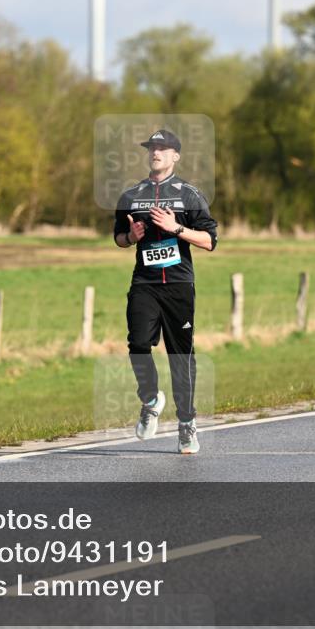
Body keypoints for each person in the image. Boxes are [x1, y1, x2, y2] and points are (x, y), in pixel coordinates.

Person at [113, 129, 218, 454]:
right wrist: (131, 237)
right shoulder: (131, 196)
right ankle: (150, 399)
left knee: (180, 357)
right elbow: (118, 238)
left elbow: (210, 241)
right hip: (144, 284)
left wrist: (177, 228)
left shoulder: (190, 195)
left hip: (178, 286)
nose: (155, 152)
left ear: (176, 156)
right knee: (138, 344)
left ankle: (186, 423)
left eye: (162, 148)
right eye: (152, 148)